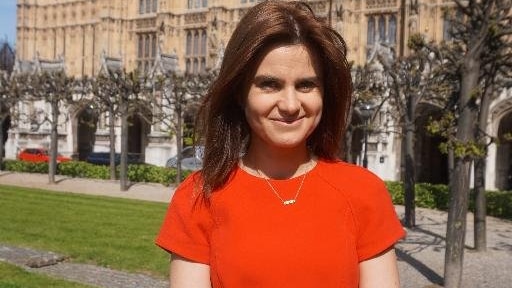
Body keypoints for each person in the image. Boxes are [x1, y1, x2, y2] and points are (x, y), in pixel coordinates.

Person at [155, 1, 405, 287]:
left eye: (306, 85)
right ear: (240, 93)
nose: (290, 105)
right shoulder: (199, 196)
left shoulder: (364, 192)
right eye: (269, 84)